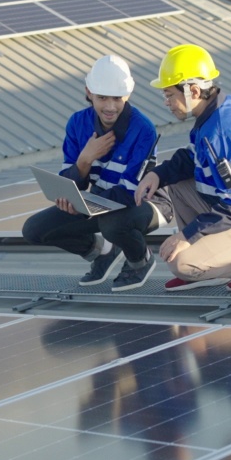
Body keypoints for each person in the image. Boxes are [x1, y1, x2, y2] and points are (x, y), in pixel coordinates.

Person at [135, 44, 231, 291]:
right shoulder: (215, 109)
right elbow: (191, 158)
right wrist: (157, 174)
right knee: (174, 182)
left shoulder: (223, 132)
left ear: (193, 91)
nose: (166, 102)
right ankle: (203, 258)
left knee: (180, 264)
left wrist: (185, 237)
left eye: (169, 94)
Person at [23, 55, 171, 291]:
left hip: (149, 205)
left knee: (111, 223)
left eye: (117, 98)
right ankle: (102, 251)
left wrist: (84, 204)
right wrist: (84, 160)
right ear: (89, 92)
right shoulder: (77, 123)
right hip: (99, 204)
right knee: (33, 229)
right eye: (102, 98)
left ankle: (139, 260)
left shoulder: (143, 129)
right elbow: (70, 183)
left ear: (128, 95)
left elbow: (130, 192)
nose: (110, 107)